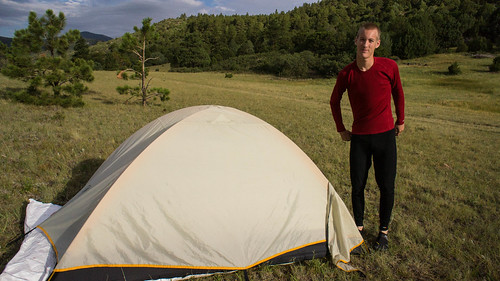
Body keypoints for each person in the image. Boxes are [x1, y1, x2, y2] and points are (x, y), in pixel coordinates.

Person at [329, 23, 405, 250]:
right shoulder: (347, 73)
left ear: (377, 44)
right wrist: (341, 128)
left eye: (371, 40)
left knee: (387, 186)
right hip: (360, 138)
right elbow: (334, 100)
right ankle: (358, 229)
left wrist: (400, 120)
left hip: (385, 137)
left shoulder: (389, 67)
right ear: (356, 41)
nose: (366, 44)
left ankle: (383, 232)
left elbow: (398, 93)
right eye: (363, 39)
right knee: (358, 185)